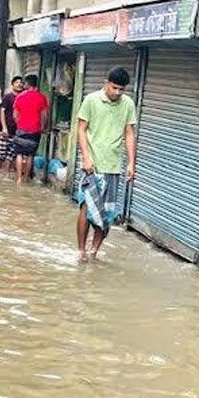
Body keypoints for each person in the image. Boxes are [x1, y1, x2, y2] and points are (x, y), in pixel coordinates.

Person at [75, 66, 137, 262]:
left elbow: (129, 133)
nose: (117, 92)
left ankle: (94, 251)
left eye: (121, 89)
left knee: (106, 213)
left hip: (113, 167)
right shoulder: (91, 100)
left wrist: (131, 163)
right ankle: (81, 251)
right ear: (106, 83)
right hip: (92, 166)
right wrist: (86, 157)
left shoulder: (128, 104)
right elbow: (81, 129)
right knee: (86, 207)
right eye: (114, 88)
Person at [12, 74, 50, 184]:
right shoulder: (42, 98)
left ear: (27, 84)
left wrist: (19, 124)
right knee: (30, 155)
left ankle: (19, 178)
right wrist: (42, 127)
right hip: (35, 130)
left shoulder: (20, 97)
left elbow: (15, 115)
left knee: (19, 154)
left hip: (21, 129)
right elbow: (44, 115)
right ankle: (25, 178)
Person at [0, 75, 24, 175]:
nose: (19, 84)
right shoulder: (7, 97)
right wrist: (4, 127)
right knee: (1, 154)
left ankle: (6, 175)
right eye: (17, 82)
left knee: (10, 156)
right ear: (12, 85)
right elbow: (2, 111)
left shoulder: (23, 98)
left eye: (21, 83)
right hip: (4, 130)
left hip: (16, 131)